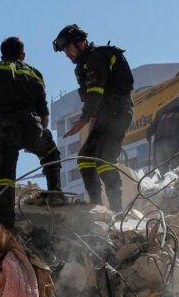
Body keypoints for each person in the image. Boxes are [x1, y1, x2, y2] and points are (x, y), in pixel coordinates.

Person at [0, 36, 62, 230]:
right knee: (51, 154)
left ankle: (6, 225)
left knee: (4, 176)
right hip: (32, 128)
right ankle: (56, 195)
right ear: (22, 55)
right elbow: (44, 116)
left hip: (3, 131)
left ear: (2, 55)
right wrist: (36, 139)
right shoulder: (36, 74)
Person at [52, 24, 134, 212]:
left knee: (106, 159)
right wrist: (91, 124)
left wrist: (82, 120)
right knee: (85, 159)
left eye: (69, 49)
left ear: (80, 43)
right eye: (65, 51)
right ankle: (97, 207)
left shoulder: (96, 59)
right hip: (106, 114)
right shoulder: (87, 63)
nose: (67, 55)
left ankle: (116, 211)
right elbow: (95, 100)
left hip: (117, 112)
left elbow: (96, 94)